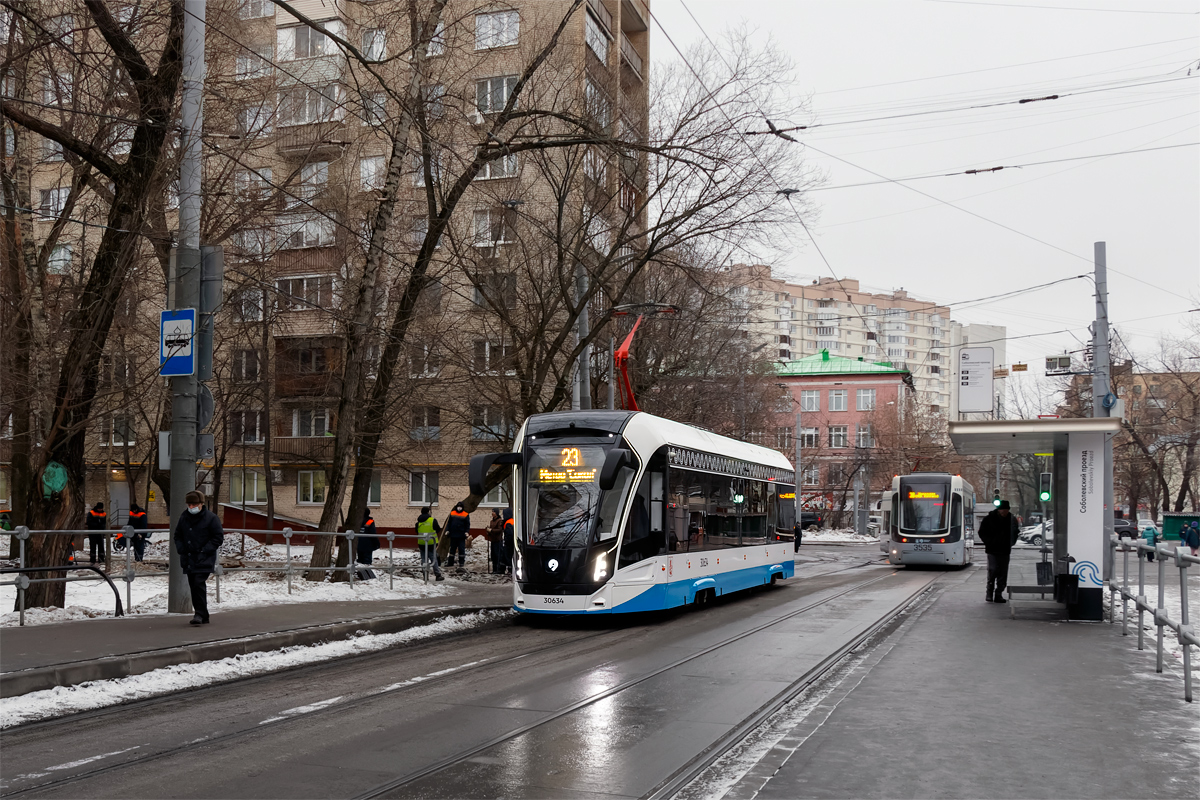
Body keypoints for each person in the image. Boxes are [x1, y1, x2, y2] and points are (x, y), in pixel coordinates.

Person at [173, 491, 224, 625]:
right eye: (189, 505)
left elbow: (218, 537)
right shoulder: (184, 517)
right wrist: (181, 549)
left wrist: (204, 550)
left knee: (197, 583)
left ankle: (199, 614)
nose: (191, 507)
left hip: (204, 558)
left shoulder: (211, 518)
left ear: (201, 504)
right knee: (194, 585)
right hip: (189, 558)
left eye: (194, 505)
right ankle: (203, 614)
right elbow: (178, 535)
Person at [978, 499, 1019, 604]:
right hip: (992, 549)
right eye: (1002, 510)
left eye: (1005, 510)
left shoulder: (1011, 519)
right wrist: (989, 542)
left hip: (1004, 550)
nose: (1003, 512)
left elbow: (1015, 532)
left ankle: (998, 593)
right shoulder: (989, 518)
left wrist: (1011, 542)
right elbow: (982, 532)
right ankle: (989, 592)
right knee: (993, 570)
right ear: (998, 510)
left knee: (1003, 572)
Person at [415, 505, 444, 581]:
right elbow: (438, 529)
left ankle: (425, 575)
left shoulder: (418, 522)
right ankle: (437, 575)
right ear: (428, 512)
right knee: (433, 559)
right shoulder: (433, 520)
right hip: (431, 542)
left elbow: (417, 531)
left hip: (422, 543)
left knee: (424, 559)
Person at [446, 502, 471, 570]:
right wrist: (447, 530)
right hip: (453, 534)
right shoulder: (452, 513)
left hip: (461, 535)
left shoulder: (465, 514)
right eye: (458, 506)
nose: (459, 508)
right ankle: (450, 562)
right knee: (452, 549)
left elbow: (467, 524)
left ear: (462, 507)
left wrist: (466, 532)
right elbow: (449, 523)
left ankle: (461, 563)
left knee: (461, 549)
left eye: (460, 507)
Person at [355, 509, 379, 578]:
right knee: (367, 561)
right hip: (368, 543)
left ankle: (360, 573)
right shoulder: (369, 521)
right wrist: (376, 542)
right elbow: (372, 532)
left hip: (358, 542)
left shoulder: (357, 521)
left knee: (360, 559)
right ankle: (367, 575)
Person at [486, 509, 504, 574]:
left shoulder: (499, 521)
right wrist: (488, 532)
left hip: (498, 540)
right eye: (492, 512)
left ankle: (498, 569)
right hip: (493, 540)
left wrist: (491, 530)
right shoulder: (491, 521)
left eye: (493, 512)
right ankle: (494, 569)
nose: (492, 513)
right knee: (493, 555)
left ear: (496, 513)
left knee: (497, 555)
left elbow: (500, 530)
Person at [502, 508, 515, 576]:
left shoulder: (508, 523)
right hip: (512, 542)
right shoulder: (512, 521)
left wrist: (506, 541)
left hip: (509, 544)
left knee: (508, 557)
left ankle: (510, 570)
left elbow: (509, 534)